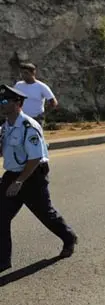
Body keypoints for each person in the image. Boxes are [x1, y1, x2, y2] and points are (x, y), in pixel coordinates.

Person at [0, 85, 77, 273]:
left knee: (46, 215)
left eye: (4, 101)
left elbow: (35, 158)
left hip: (31, 176)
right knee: (1, 217)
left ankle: (69, 238)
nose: (1, 105)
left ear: (17, 103)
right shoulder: (4, 127)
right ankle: (3, 260)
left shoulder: (29, 126)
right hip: (11, 175)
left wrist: (19, 182)